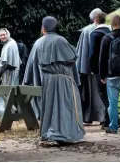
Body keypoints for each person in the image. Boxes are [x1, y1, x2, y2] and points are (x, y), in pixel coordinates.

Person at [23, 16, 85, 145]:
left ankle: (48, 132)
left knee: (50, 106)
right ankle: (64, 134)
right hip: (63, 80)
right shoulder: (61, 41)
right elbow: (72, 58)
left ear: (44, 28)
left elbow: (31, 63)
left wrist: (27, 81)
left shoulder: (38, 42)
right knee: (65, 106)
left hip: (48, 81)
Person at [89, 12, 120, 129]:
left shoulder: (94, 34)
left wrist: (92, 69)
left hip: (99, 69)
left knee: (103, 95)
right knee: (111, 95)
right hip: (112, 68)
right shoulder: (110, 33)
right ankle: (109, 120)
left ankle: (114, 120)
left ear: (96, 21)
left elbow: (92, 54)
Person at [76, 8, 105, 124]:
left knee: (88, 93)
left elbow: (80, 51)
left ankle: (88, 117)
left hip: (88, 68)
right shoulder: (107, 29)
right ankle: (103, 117)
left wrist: (81, 67)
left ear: (93, 18)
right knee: (102, 93)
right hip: (103, 68)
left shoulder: (86, 30)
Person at [0, 28, 21, 118]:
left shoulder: (10, 45)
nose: (2, 36)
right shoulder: (11, 43)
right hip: (13, 72)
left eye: (4, 34)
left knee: (5, 94)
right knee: (12, 93)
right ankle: (14, 112)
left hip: (9, 73)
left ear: (8, 34)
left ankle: (6, 114)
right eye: (1, 35)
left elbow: (4, 62)